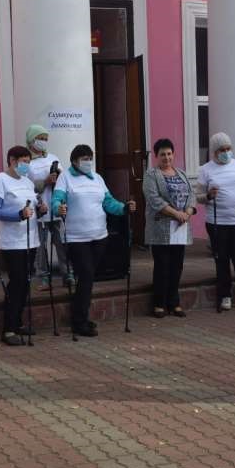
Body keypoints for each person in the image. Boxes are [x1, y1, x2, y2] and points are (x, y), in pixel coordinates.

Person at [52, 144, 136, 336]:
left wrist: (124, 208)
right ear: (74, 161)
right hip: (76, 238)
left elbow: (108, 202)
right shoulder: (66, 178)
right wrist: (58, 208)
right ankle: (79, 321)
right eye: (84, 159)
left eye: (90, 158)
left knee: (87, 278)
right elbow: (57, 200)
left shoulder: (97, 178)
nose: (88, 162)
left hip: (99, 236)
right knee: (86, 275)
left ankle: (80, 315)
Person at [0, 146, 48, 346]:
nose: (26, 165)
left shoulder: (27, 181)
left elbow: (33, 205)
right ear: (12, 161)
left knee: (26, 281)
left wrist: (41, 209)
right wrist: (18, 215)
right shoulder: (0, 180)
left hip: (30, 239)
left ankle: (18, 321)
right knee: (17, 282)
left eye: (28, 162)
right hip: (12, 241)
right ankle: (9, 328)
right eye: (23, 161)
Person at [196, 132, 235, 312]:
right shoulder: (205, 169)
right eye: (222, 150)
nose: (226, 152)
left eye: (228, 148)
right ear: (214, 152)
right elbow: (198, 197)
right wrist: (209, 195)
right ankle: (225, 296)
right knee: (221, 259)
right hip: (217, 222)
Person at [142, 138, 197, 317]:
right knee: (162, 266)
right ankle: (159, 304)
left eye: (169, 153)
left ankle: (174, 303)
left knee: (177, 266)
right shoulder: (151, 175)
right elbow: (154, 199)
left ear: (173, 154)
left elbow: (192, 195)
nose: (166, 157)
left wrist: (188, 212)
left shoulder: (181, 173)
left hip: (180, 228)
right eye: (162, 154)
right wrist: (176, 214)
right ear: (156, 156)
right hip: (161, 228)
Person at [25, 124, 71, 290]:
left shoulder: (53, 157)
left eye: (45, 138)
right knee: (41, 246)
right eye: (40, 138)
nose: (43, 141)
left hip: (56, 209)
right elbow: (26, 186)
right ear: (31, 140)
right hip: (39, 210)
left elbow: (64, 181)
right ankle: (44, 277)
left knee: (62, 242)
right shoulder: (27, 162)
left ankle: (68, 274)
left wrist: (57, 179)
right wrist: (44, 182)